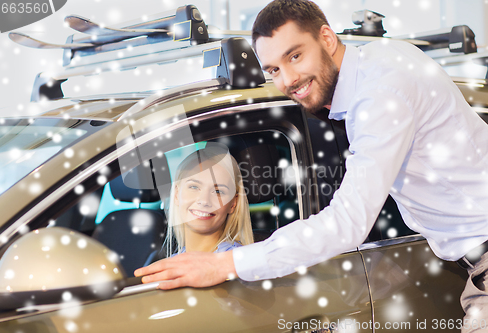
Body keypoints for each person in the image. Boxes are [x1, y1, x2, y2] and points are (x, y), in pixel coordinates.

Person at [135, 1, 488, 330]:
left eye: (295, 56)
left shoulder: (380, 96)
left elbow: (348, 223)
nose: (287, 79)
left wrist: (223, 264)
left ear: (327, 37)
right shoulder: (380, 60)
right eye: (273, 68)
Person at [164, 144, 254, 257]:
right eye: (194, 187)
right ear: (176, 194)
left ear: (233, 204)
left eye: (218, 191)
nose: (204, 200)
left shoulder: (240, 262)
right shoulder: (170, 263)